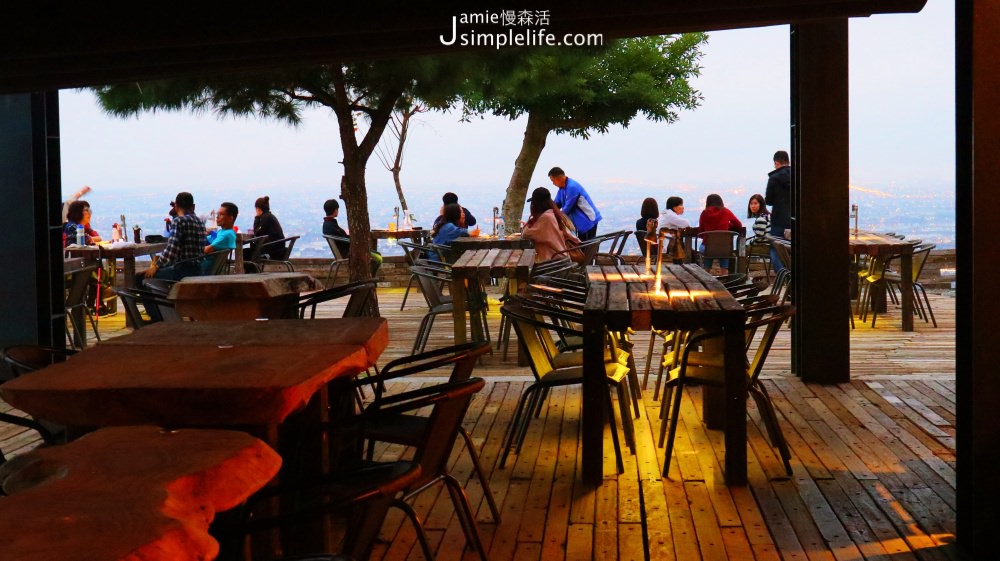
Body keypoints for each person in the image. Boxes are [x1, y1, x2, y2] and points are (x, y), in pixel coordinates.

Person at [141, 192, 208, 282]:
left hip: (183, 271)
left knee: (140, 277)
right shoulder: (200, 222)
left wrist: (156, 266)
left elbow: (172, 250)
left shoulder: (179, 221)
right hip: (199, 270)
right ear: (193, 206)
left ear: (176, 207)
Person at [323, 198, 382, 276]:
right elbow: (343, 239)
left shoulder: (327, 224)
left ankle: (370, 279)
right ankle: (370, 279)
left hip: (345, 251)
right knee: (378, 258)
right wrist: (356, 240)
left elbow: (341, 237)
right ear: (335, 210)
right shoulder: (331, 225)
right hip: (347, 252)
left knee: (377, 254)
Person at [549, 166, 602, 241]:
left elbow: (568, 208)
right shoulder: (562, 189)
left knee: (586, 248)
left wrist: (555, 217)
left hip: (587, 221)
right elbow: (556, 203)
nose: (553, 183)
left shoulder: (572, 187)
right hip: (579, 223)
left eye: (553, 180)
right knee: (582, 247)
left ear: (560, 178)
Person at [520, 187, 570, 262]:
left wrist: (527, 225)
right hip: (559, 260)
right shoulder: (552, 214)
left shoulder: (546, 218)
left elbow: (525, 234)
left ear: (536, 204)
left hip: (554, 264)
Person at [698, 194, 743, 272]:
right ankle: (724, 275)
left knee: (707, 251)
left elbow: (701, 231)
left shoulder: (704, 213)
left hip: (707, 248)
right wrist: (728, 225)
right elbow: (738, 224)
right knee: (724, 250)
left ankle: (706, 272)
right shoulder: (726, 211)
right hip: (724, 248)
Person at [765, 150, 792, 273]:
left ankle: (783, 275)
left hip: (779, 220)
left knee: (775, 248)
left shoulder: (774, 178)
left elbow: (769, 200)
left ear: (776, 162)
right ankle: (792, 276)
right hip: (794, 220)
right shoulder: (798, 175)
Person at [251, 195, 286, 261]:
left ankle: (250, 270)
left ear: (258, 208)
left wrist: (257, 217)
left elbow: (257, 233)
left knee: (247, 253)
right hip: (278, 248)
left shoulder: (266, 218)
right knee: (251, 250)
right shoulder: (270, 216)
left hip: (274, 251)